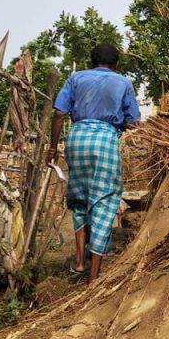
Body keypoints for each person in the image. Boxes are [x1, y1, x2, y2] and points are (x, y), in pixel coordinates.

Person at [47, 43, 140, 283]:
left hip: (76, 138)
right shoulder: (123, 83)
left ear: (92, 61)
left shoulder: (76, 78)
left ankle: (79, 261)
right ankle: (94, 275)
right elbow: (133, 122)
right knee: (105, 202)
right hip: (105, 141)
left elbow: (59, 113)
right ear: (116, 64)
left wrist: (52, 147)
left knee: (80, 198)